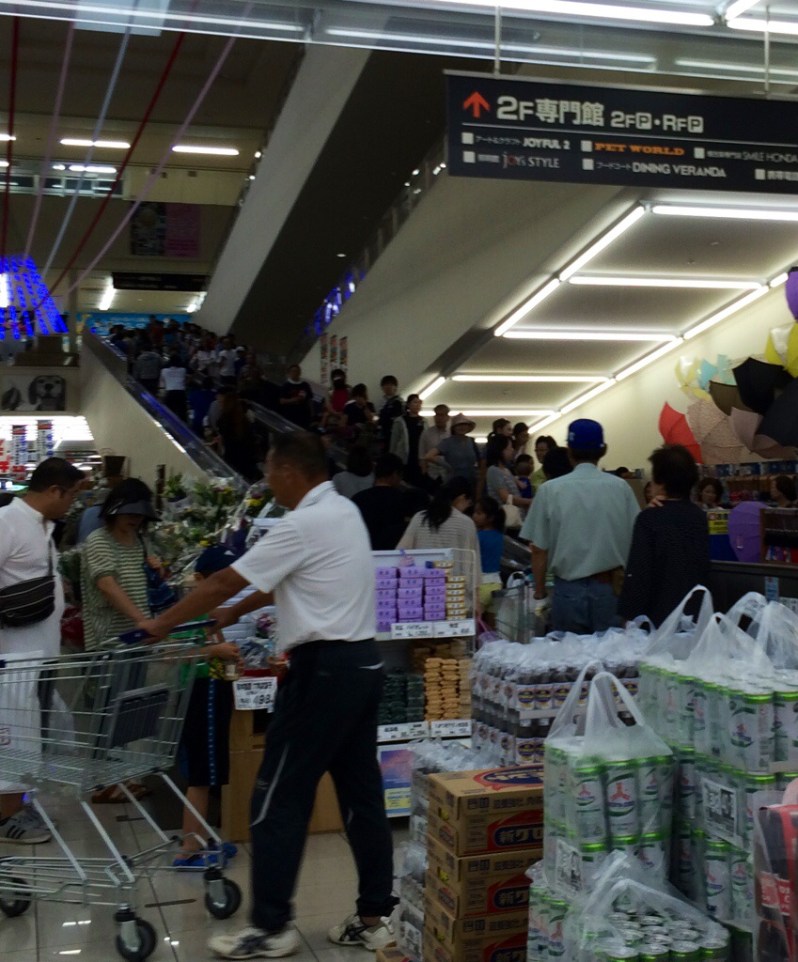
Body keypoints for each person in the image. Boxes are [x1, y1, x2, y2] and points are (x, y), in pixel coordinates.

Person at [136, 432, 397, 958]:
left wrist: (157, 625)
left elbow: (219, 583)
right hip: (362, 663)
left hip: (322, 671)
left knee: (277, 796)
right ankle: (375, 917)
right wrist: (233, 614)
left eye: (269, 469)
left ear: (289, 472)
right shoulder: (342, 512)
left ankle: (271, 927)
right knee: (362, 796)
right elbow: (283, 578)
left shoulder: (300, 522)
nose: (267, 480)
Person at [0, 457, 84, 844]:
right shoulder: (7, 522)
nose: (72, 504)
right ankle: (7, 815)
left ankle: (19, 802)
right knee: (13, 737)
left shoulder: (44, 528)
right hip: (13, 657)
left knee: (31, 734)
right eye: (70, 496)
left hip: (41, 655)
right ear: (54, 490)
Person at [522, 419, 639, 634]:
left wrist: (540, 592)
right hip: (610, 589)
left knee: (569, 662)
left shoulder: (549, 491)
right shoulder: (621, 488)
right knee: (611, 661)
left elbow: (538, 549)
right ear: (603, 449)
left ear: (569, 451)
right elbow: (636, 542)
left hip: (567, 590)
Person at [173, 545, 242, 868]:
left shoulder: (212, 612)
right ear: (200, 579)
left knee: (209, 773)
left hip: (214, 692)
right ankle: (189, 848)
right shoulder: (191, 612)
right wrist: (217, 653)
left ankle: (202, 836)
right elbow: (174, 654)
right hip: (201, 696)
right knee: (201, 776)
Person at [617, 445, 710, 627]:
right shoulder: (699, 516)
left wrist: (628, 615)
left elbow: (638, 571)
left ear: (661, 482)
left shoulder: (648, 518)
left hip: (656, 616)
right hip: (694, 614)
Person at [398, 477, 481, 568]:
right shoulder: (466, 523)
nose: (467, 508)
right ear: (462, 497)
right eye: (469, 503)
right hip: (454, 580)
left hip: (422, 578)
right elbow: (472, 562)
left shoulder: (420, 518)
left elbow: (401, 551)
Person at [353, 453, 424, 550]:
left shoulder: (357, 499)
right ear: (395, 474)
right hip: (392, 556)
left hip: (362, 553)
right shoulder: (404, 500)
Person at [423, 413, 482, 493]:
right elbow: (428, 456)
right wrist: (447, 466)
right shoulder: (447, 443)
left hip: (471, 482)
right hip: (454, 481)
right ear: (454, 428)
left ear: (468, 427)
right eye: (459, 425)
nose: (462, 427)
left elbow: (481, 460)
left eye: (464, 425)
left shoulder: (472, 442)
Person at [484, 435, 532, 530]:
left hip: (517, 519)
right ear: (500, 450)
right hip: (506, 520)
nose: (512, 450)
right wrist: (529, 502)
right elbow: (505, 497)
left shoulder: (506, 470)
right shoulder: (494, 470)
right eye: (509, 448)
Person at [214, 391, 261, 482]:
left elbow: (224, 443)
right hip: (247, 459)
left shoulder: (223, 421)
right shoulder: (244, 420)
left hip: (232, 459)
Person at [473, 496, 505, 627]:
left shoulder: (477, 537)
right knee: (492, 625)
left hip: (482, 585)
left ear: (490, 518)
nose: (474, 516)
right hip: (497, 583)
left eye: (479, 513)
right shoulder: (500, 536)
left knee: (475, 623)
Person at [389, 393, 426, 487]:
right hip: (404, 457)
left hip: (419, 456)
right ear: (408, 405)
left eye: (419, 403)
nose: (417, 405)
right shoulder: (400, 421)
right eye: (414, 402)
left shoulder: (424, 421)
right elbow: (394, 441)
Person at [418, 403, 450, 487]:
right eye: (437, 415)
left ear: (447, 417)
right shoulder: (426, 433)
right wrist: (424, 474)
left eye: (442, 415)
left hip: (448, 474)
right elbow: (422, 455)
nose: (439, 418)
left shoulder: (452, 434)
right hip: (431, 474)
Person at [279, 364, 313, 429]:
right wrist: (294, 400)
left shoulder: (305, 385)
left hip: (304, 414)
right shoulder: (286, 385)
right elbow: (282, 401)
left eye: (297, 371)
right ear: (289, 373)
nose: (295, 373)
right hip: (290, 415)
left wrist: (312, 414)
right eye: (293, 371)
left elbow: (310, 400)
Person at [160, 352, 188, 421]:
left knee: (169, 413)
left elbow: (163, 382)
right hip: (181, 393)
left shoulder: (164, 371)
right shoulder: (183, 370)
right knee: (182, 414)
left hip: (170, 393)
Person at [376, 374, 404, 443]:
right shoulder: (380, 401)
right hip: (383, 432)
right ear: (382, 387)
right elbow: (378, 416)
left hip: (396, 431)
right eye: (386, 385)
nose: (388, 387)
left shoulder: (400, 401)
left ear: (395, 387)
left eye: (391, 384)